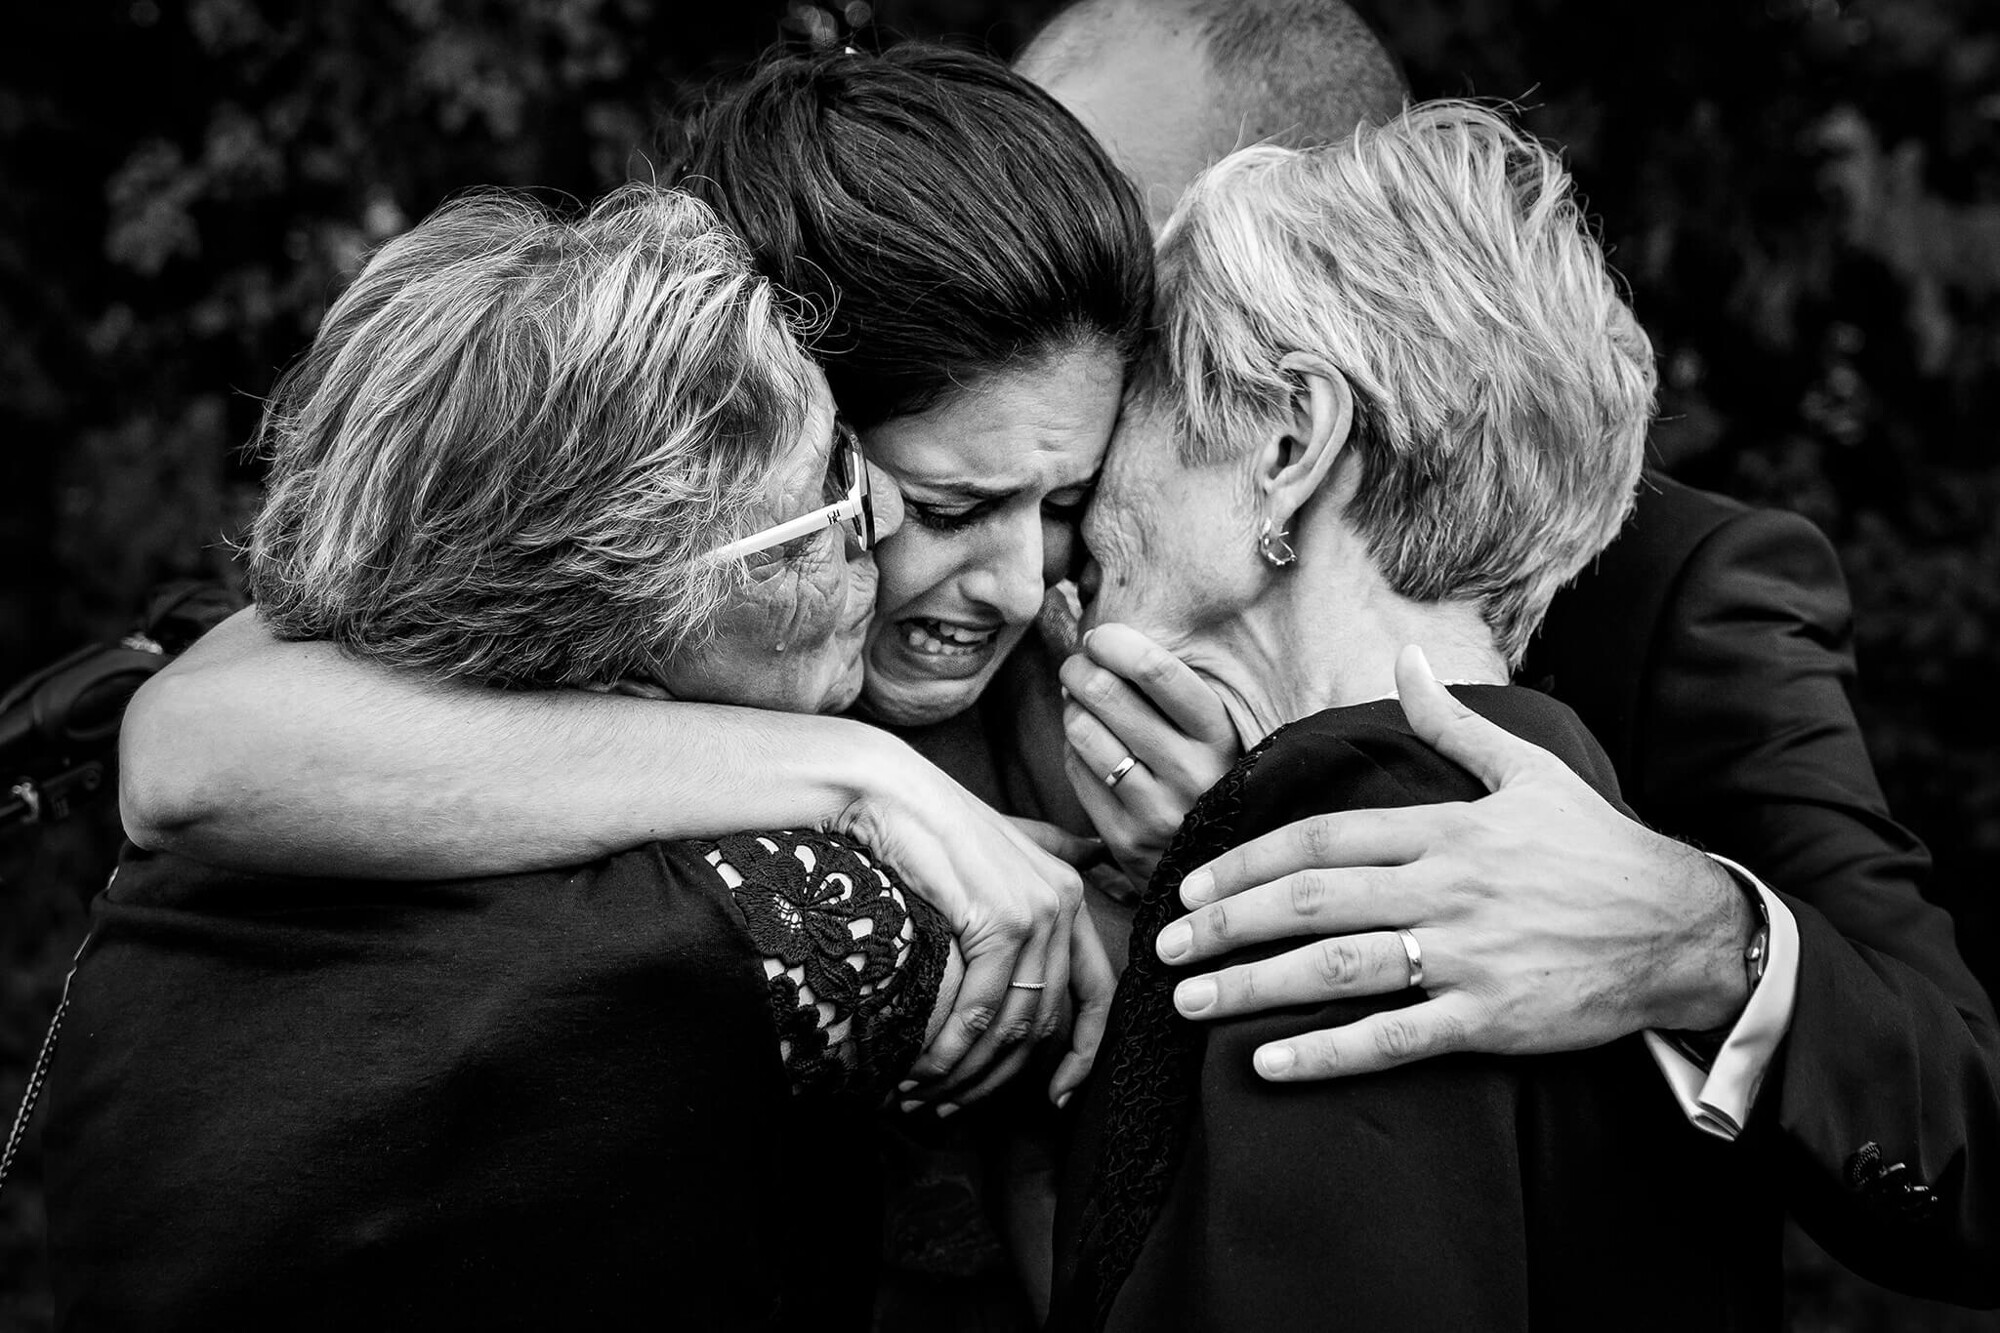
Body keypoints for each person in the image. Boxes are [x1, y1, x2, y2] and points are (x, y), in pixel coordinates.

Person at [1022, 0, 2000, 1305]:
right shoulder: (1388, 758)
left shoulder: (1390, 819)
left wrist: (1713, 943)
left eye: (1135, 346)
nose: (1074, 463)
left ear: (1287, 442)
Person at [113, 43, 1156, 1111]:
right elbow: (190, 757)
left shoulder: (1104, 677)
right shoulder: (560, 571)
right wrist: (853, 773)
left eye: (1066, 504)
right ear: (751, 425)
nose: (1021, 588)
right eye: (943, 508)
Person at [44, 186, 968, 1329]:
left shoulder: (247, 833)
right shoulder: (764, 915)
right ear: (624, 623)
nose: (870, 523)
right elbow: (1066, 985)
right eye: (823, 496)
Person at [1052, 103, 1779, 1332]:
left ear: (1287, 441)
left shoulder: (1370, 858)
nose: (1080, 496)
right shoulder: (1554, 821)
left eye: (1133, 403)